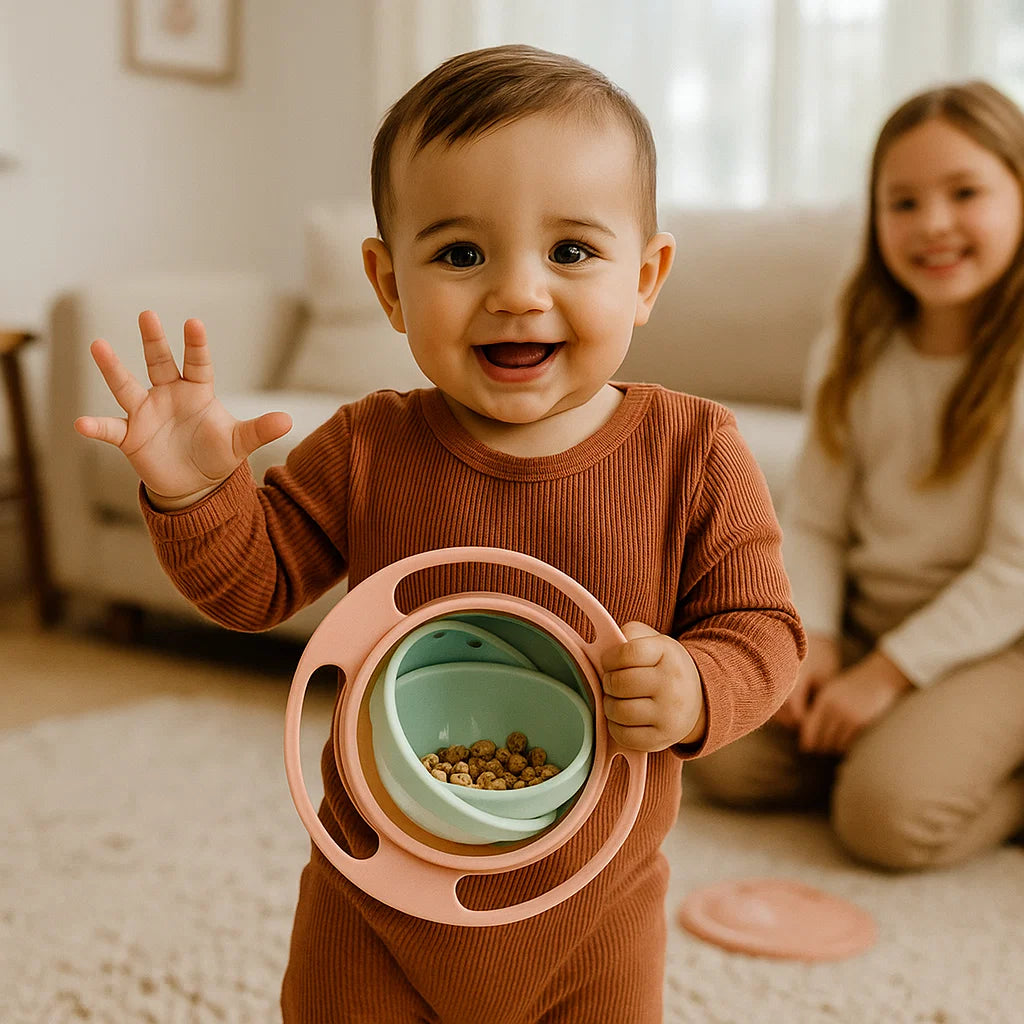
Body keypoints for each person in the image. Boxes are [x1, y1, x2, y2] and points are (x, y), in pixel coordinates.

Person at [74, 44, 803, 1023]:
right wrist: (202, 492)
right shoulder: (369, 443)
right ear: (387, 284)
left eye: (572, 251)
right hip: (374, 897)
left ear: (647, 274)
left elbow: (766, 630)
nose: (516, 291)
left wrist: (697, 682)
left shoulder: (697, 451)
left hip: (595, 911)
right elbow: (251, 588)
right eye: (460, 253)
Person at [688, 80, 1024, 873]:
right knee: (723, 752)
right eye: (902, 202)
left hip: (998, 642)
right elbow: (815, 517)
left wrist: (886, 677)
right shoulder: (858, 330)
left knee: (885, 822)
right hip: (874, 618)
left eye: (965, 193)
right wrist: (821, 640)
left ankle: (970, 771)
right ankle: (893, 746)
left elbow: (1016, 569)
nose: (932, 223)